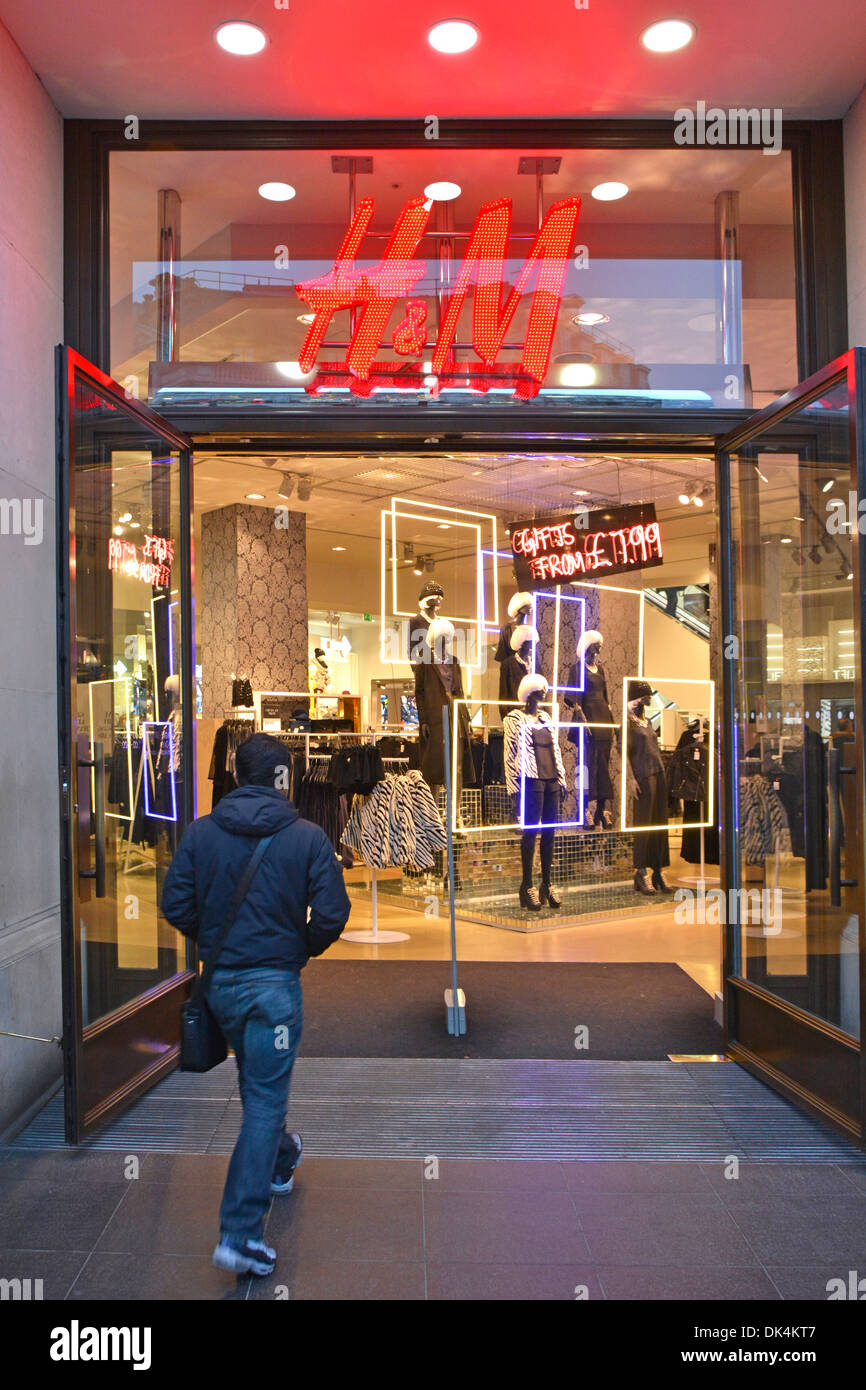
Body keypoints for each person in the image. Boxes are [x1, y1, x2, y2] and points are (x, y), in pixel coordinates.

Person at [162, 732, 351, 1277]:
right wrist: (297, 948)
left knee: (258, 1085)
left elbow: (175, 903)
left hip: (222, 986)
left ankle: (281, 1156)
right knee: (265, 1098)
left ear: (238, 776)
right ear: (282, 779)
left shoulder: (201, 834)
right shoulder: (308, 837)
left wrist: (217, 938)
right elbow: (333, 914)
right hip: (273, 990)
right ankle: (240, 1234)